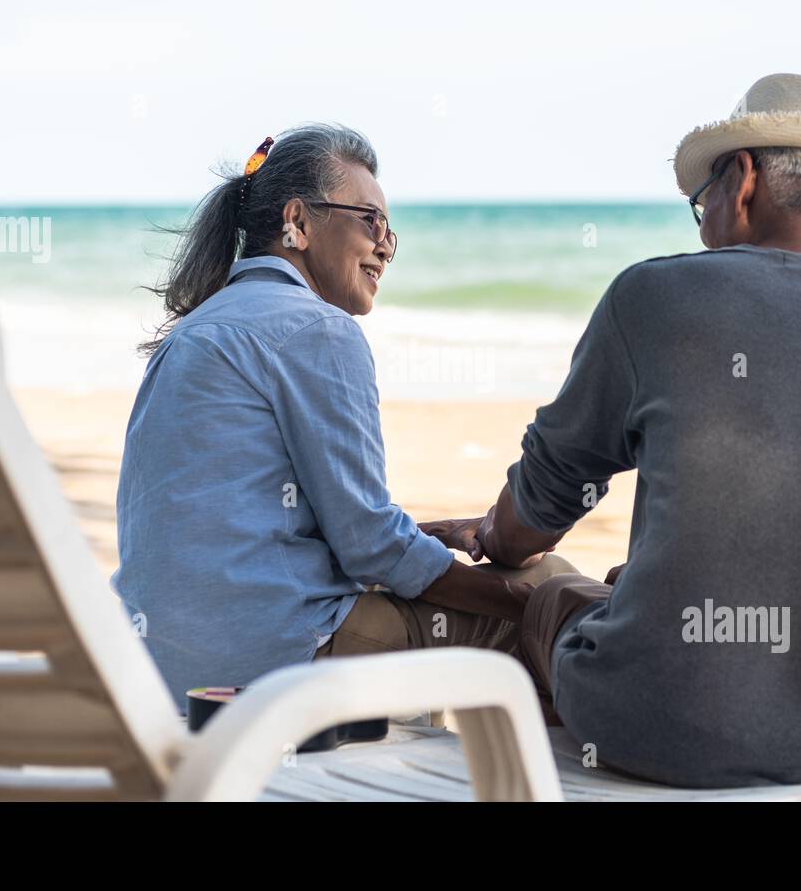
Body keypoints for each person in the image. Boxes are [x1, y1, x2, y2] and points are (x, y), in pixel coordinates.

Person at [427, 74, 801, 787]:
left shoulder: (653, 296)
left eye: (700, 200)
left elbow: (545, 500)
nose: (703, 218)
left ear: (742, 182)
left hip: (649, 723)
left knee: (554, 599)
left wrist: (494, 539)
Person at [111, 123, 575, 712]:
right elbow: (372, 549)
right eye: (370, 221)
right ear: (299, 223)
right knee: (549, 596)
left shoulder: (196, 332)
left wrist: (425, 535)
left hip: (167, 670)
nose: (385, 245)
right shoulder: (318, 330)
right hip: (277, 667)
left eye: (390, 231)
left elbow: (243, 531)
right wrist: (522, 599)